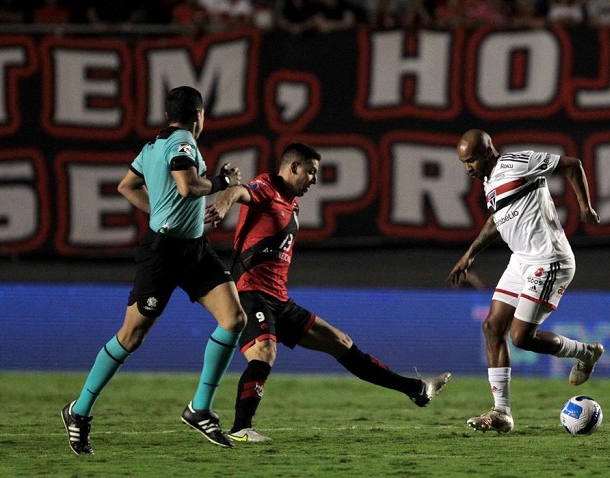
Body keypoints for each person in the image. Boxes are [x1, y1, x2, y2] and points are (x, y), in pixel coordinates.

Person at [204, 142, 451, 443]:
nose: (314, 180)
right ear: (294, 167)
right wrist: (222, 205)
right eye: (311, 172)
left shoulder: (292, 204)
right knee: (264, 352)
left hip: (279, 300)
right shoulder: (266, 187)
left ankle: (416, 389)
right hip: (250, 294)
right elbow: (237, 191)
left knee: (341, 342)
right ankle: (241, 428)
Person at [60, 86, 247, 455]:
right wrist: (223, 183)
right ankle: (78, 412)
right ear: (199, 115)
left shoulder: (152, 147)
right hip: (163, 254)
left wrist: (160, 211)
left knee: (233, 318)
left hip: (194, 249)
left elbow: (126, 186)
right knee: (131, 336)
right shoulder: (183, 143)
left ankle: (199, 408)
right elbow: (188, 186)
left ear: (167, 115)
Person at [447, 129, 604, 434]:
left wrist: (585, 206)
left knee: (521, 338)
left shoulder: (518, 163)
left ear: (488, 152)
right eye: (464, 162)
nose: (467, 168)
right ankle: (501, 413)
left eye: (471, 161)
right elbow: (497, 222)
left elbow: (572, 164)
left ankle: (587, 352)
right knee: (492, 327)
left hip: (549, 259)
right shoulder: (489, 182)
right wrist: (469, 254)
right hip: (521, 260)